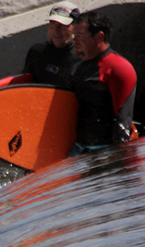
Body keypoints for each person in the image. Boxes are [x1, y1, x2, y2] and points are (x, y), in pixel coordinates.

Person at [68, 10, 137, 153]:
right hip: (79, 149)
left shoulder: (119, 68)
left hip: (106, 151)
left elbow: (123, 122)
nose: (74, 41)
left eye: (79, 36)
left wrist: (118, 160)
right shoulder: (78, 68)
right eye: (74, 36)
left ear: (99, 37)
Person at [21, 1, 79, 87]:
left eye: (62, 26)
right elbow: (24, 85)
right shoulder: (37, 52)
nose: (56, 31)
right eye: (53, 25)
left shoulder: (82, 58)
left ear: (75, 27)